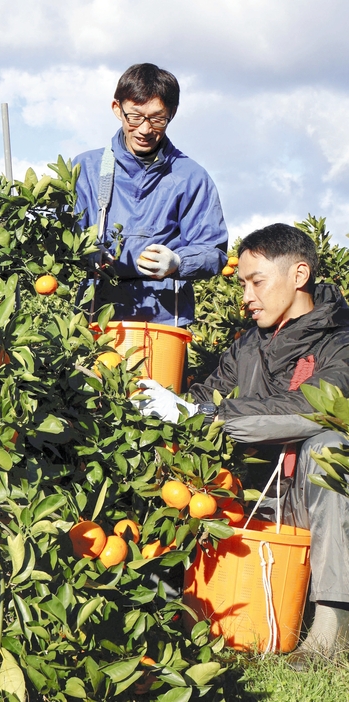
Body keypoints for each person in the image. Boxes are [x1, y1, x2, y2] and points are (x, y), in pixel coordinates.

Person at [136, 223, 349, 669]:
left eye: (257, 281)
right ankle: (167, 597)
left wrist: (205, 416)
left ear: (299, 274)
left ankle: (331, 628)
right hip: (254, 500)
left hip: (313, 499)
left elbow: (313, 407)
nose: (247, 296)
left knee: (328, 446)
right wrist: (159, 402)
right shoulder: (247, 347)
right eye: (243, 284)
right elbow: (207, 395)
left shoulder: (342, 342)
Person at [73, 63, 228, 326]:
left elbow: (214, 251)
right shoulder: (87, 169)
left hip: (164, 322)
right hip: (95, 321)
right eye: (135, 116)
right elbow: (62, 240)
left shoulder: (191, 177)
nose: (145, 130)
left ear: (172, 114)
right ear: (117, 109)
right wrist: (85, 253)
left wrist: (179, 262)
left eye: (157, 118)